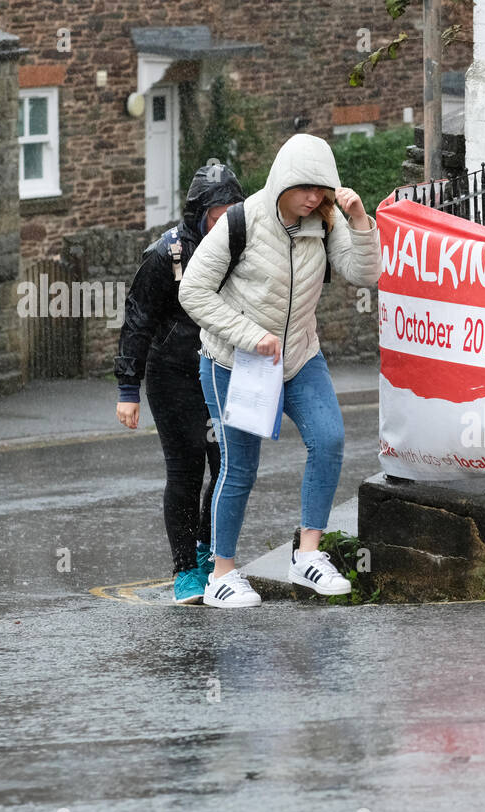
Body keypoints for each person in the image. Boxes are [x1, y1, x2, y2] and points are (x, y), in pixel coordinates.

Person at [179, 134, 381, 609]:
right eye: (305, 187)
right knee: (240, 467)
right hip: (237, 362)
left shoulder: (325, 222)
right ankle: (222, 574)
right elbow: (193, 292)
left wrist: (359, 221)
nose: (314, 197)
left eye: (322, 188)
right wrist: (250, 336)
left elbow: (364, 273)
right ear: (283, 181)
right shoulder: (240, 222)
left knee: (328, 439)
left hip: (298, 357)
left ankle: (308, 555)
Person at [115, 163, 245, 604]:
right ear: (198, 213)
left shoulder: (242, 246)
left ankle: (210, 551)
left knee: (226, 464)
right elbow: (138, 319)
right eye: (215, 212)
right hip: (172, 375)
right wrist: (128, 389)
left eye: (231, 210)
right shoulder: (166, 253)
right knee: (185, 470)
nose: (223, 220)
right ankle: (185, 569)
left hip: (222, 367)